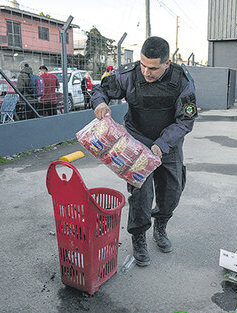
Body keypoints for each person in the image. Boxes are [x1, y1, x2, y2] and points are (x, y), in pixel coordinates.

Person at [91, 36, 197, 266]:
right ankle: (138, 236)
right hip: (137, 141)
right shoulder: (129, 74)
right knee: (141, 194)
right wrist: (99, 102)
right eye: (143, 65)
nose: (146, 72)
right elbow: (101, 89)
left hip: (167, 143)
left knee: (172, 191)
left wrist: (162, 144)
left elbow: (185, 121)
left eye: (153, 68)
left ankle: (161, 226)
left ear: (167, 64)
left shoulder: (182, 81)